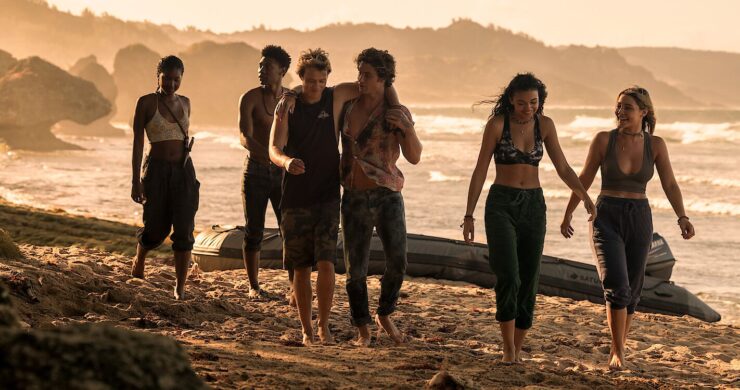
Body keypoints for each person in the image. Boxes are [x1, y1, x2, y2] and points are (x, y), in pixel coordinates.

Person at [271, 48, 402, 346]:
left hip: (329, 193)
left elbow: (384, 81)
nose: (315, 86)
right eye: (309, 81)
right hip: (295, 197)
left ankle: (325, 326)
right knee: (302, 267)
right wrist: (286, 162)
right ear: (301, 79)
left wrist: (399, 111)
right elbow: (273, 148)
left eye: (320, 80)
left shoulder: (336, 96)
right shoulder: (289, 106)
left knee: (327, 262)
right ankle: (306, 328)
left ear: (327, 78)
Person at [462, 73, 595, 363]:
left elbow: (563, 166)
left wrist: (584, 196)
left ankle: (517, 348)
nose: (528, 108)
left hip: (534, 206)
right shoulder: (497, 125)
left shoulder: (545, 125)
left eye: (533, 102)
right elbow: (480, 170)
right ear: (511, 100)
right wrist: (469, 214)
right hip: (501, 205)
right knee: (508, 274)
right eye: (522, 103)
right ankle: (508, 348)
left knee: (530, 277)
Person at [560, 86, 695, 370]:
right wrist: (569, 212)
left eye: (627, 107)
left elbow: (669, 183)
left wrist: (682, 216)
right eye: (619, 106)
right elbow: (584, 176)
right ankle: (618, 350)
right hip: (605, 214)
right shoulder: (603, 140)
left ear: (643, 112)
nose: (620, 111)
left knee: (632, 289)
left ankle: (618, 345)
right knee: (616, 284)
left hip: (640, 217)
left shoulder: (655, 145)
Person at [339, 48, 421, 347]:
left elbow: (414, 157)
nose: (360, 80)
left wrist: (407, 127)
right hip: (354, 196)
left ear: (383, 79)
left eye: (367, 75)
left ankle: (384, 313)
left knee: (398, 261)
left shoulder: (395, 113)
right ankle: (362, 328)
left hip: (388, 196)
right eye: (359, 73)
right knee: (355, 270)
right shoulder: (347, 106)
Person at [130, 55, 199, 300]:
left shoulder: (186, 102)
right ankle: (140, 255)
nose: (171, 83)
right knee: (155, 229)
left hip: (184, 171)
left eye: (176, 79)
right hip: (156, 171)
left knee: (184, 229)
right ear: (157, 76)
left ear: (182, 78)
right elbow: (138, 142)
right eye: (166, 78)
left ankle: (179, 287)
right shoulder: (146, 103)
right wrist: (135, 180)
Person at [238, 45, 292, 299]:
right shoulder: (249, 98)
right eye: (260, 66)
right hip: (256, 172)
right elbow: (244, 137)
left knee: (289, 229)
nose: (261, 70)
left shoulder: (292, 99)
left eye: (266, 66)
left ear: (282, 70)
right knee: (254, 230)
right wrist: (269, 155)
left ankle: (294, 285)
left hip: (283, 174)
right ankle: (253, 286)